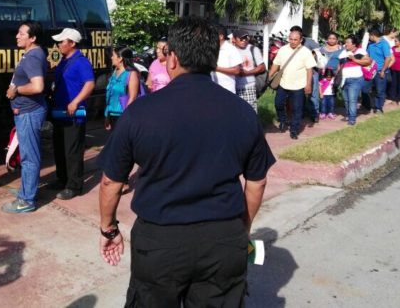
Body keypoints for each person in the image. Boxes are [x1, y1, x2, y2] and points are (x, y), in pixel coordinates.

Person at [98, 17, 276, 305]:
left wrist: (109, 228)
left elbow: (110, 181)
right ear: (212, 58)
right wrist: (242, 228)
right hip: (223, 238)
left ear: (172, 59)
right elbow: (257, 181)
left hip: (159, 242)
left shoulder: (140, 113)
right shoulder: (243, 113)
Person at [2, 20, 48, 214]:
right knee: (29, 154)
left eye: (22, 33)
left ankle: (26, 200)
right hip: (27, 112)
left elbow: (38, 87)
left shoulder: (32, 57)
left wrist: (16, 90)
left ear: (33, 38)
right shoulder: (33, 54)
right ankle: (26, 191)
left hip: (29, 112)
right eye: (18, 33)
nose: (17, 36)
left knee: (29, 157)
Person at [50, 28, 95, 201]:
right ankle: (62, 179)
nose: (59, 44)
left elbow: (89, 84)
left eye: (62, 41)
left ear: (72, 43)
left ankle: (74, 185)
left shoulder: (81, 62)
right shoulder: (64, 60)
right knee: (60, 147)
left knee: (72, 150)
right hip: (60, 111)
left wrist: (76, 101)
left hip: (74, 113)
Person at [268, 30, 316, 139]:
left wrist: (308, 85)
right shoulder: (283, 50)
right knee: (278, 104)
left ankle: (294, 130)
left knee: (297, 109)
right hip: (283, 84)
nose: (293, 42)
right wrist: (269, 77)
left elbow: (309, 70)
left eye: (295, 40)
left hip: (299, 86)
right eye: (291, 39)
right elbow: (276, 64)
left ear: (301, 40)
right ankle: (283, 120)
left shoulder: (306, 52)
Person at [337, 36, 372, 126]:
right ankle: (348, 115)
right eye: (346, 42)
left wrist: (354, 59)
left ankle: (352, 119)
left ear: (354, 44)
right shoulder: (343, 52)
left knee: (352, 99)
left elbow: (368, 62)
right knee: (346, 99)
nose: (346, 44)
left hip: (356, 79)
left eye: (348, 42)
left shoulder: (360, 51)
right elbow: (340, 65)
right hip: (344, 79)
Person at [104, 46, 140, 131]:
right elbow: (109, 96)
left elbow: (132, 98)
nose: (111, 57)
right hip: (112, 114)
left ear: (120, 58)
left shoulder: (131, 74)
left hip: (123, 116)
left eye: (113, 55)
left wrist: (125, 117)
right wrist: (106, 115)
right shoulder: (115, 72)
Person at [233, 29, 266, 112]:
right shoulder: (230, 50)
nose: (244, 40)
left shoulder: (253, 49)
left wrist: (246, 73)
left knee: (251, 111)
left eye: (246, 38)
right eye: (241, 38)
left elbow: (262, 67)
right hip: (233, 87)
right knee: (236, 112)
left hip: (248, 86)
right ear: (234, 39)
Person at [366, 28, 394, 114]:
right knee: (370, 90)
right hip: (371, 71)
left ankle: (379, 108)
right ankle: (372, 105)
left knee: (380, 90)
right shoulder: (370, 45)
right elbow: (367, 56)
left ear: (373, 35)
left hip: (380, 71)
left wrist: (383, 70)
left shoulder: (384, 44)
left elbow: (388, 58)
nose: (369, 38)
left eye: (370, 36)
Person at [211, 25, 242, 93]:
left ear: (221, 36)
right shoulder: (211, 49)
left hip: (227, 90)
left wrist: (216, 68)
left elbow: (237, 70)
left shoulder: (231, 49)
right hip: (212, 89)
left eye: (212, 34)